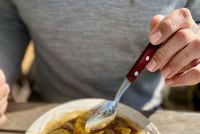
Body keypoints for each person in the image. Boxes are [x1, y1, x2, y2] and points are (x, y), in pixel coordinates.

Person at [0, 0, 200, 127]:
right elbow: (8, 19)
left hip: (144, 114)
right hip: (42, 106)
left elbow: (197, 18)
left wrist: (192, 45)